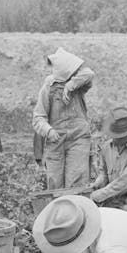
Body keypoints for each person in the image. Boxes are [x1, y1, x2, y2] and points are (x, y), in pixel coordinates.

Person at [31, 48, 95, 190]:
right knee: (55, 184)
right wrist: (48, 130)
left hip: (79, 139)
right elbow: (38, 118)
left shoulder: (79, 84)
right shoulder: (49, 85)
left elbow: (89, 73)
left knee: (76, 182)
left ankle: (77, 210)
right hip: (55, 141)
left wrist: (70, 85)